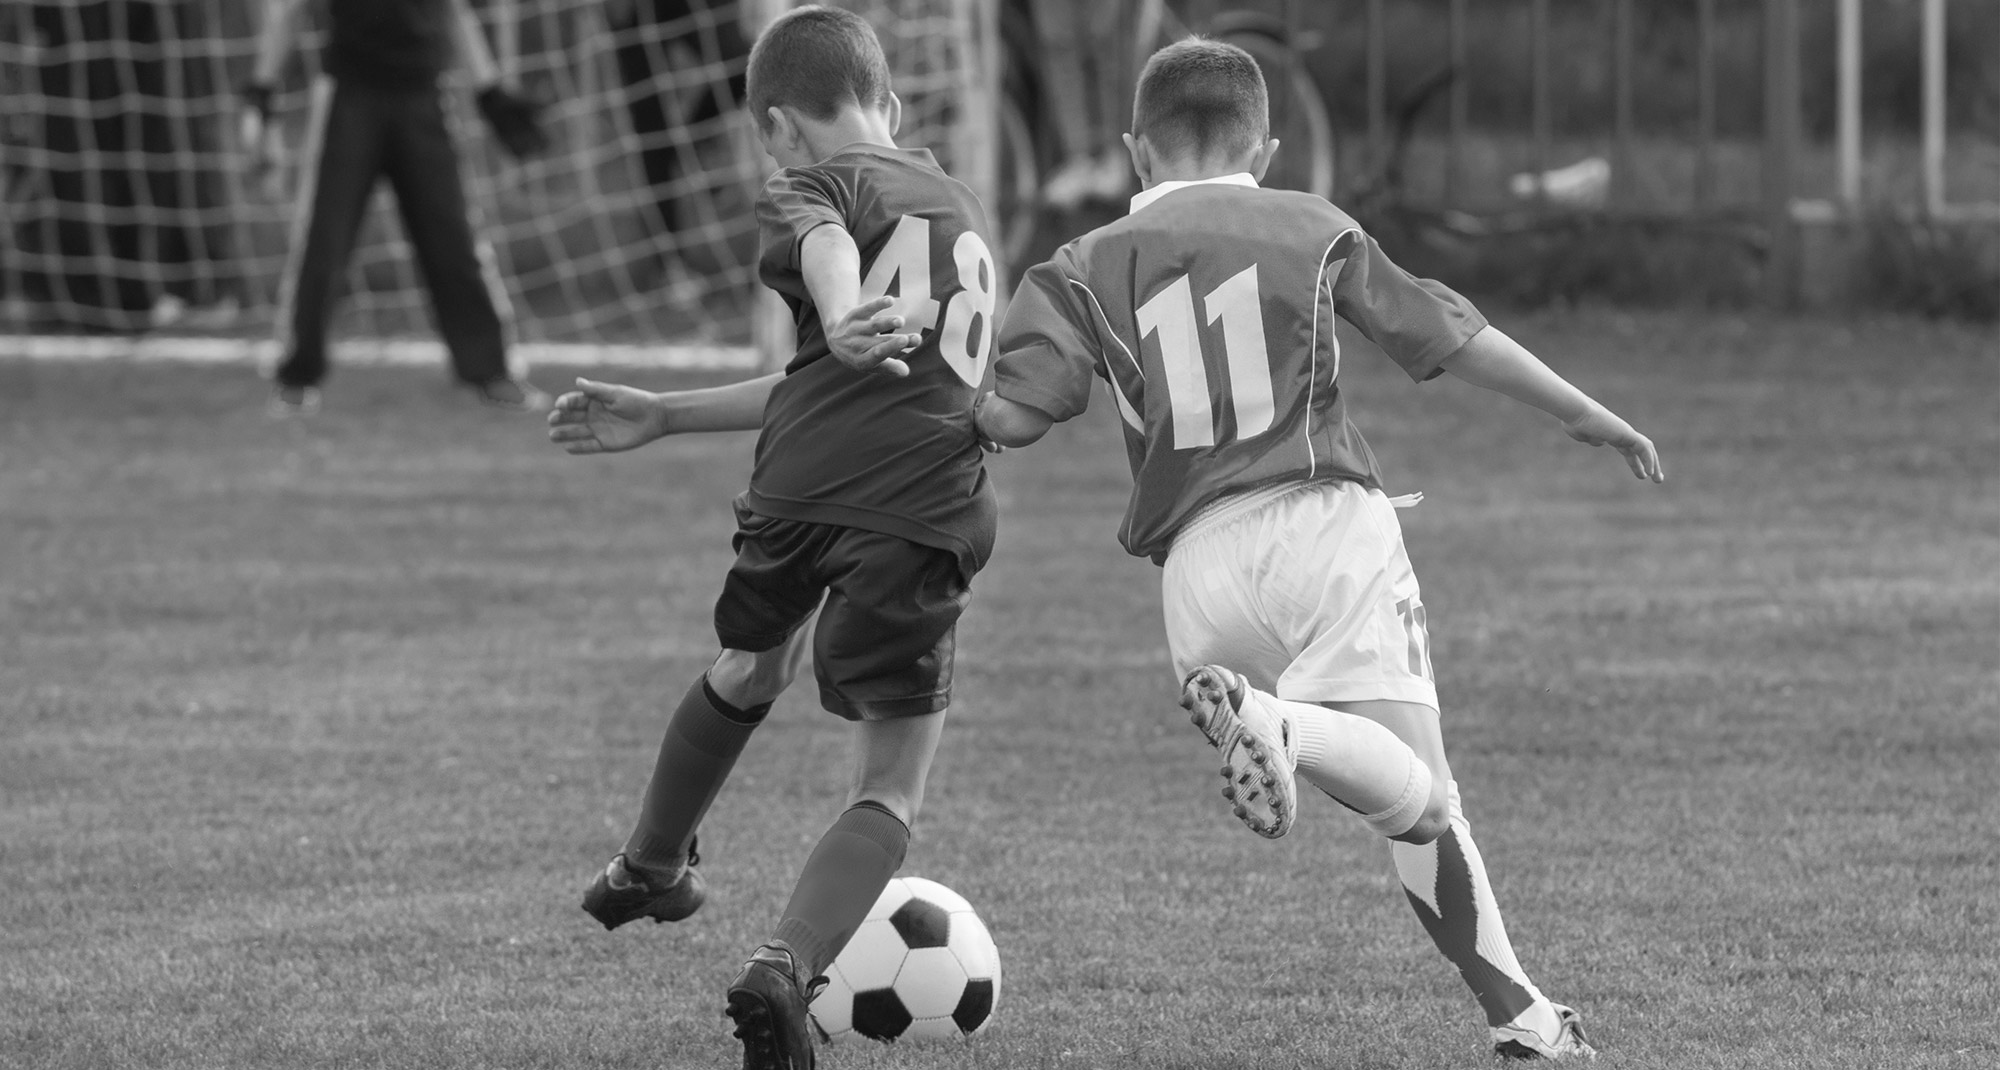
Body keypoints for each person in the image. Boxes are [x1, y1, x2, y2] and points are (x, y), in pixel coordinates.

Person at [975, 38, 1663, 1062]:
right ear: (1266, 149)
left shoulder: (1076, 265)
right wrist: (1579, 410)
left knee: (1412, 798)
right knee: (1421, 796)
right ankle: (1280, 726)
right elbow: (1445, 333)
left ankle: (1523, 1017)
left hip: (1195, 580)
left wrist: (923, 398)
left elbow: (1014, 415)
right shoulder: (1310, 224)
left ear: (1135, 151)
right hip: (1321, 529)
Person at [545, 8, 999, 1069]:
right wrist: (670, 411)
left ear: (778, 127)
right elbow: (836, 349)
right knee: (888, 785)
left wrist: (836, 313)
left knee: (751, 665)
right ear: (891, 107)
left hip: (793, 494)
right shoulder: (961, 206)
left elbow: (825, 249)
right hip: (916, 507)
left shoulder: (808, 179)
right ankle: (783, 968)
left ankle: (650, 864)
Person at [241, 0, 551, 416]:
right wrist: (261, 93)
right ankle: (296, 377)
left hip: (424, 97)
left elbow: (455, 11)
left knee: (454, 241)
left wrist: (489, 91)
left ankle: (491, 370)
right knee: (323, 242)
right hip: (349, 97)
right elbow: (291, 8)